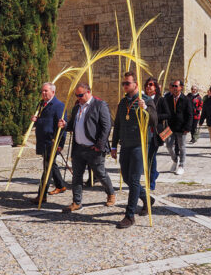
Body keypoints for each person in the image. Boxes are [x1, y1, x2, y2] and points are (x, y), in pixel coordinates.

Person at [58, 83, 115, 212]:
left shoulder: (100, 105)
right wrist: (65, 125)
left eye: (80, 95)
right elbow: (72, 126)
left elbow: (107, 127)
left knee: (100, 174)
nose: (78, 98)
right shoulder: (76, 107)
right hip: (79, 148)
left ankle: (110, 193)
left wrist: (99, 145)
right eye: (76, 95)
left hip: (93, 148)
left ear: (89, 92)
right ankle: (76, 202)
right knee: (77, 176)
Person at [111, 71, 158, 228]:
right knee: (126, 178)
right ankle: (147, 199)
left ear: (136, 85)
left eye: (127, 83)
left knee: (133, 179)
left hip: (140, 145)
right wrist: (113, 145)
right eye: (123, 83)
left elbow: (154, 121)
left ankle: (129, 215)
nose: (124, 86)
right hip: (125, 145)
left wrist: (146, 110)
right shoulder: (123, 102)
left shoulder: (146, 101)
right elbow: (117, 125)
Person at [31, 82, 68, 204]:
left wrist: (61, 144)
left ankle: (42, 195)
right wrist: (36, 121)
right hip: (43, 141)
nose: (43, 93)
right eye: (42, 91)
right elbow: (45, 122)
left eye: (46, 91)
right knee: (51, 165)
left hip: (51, 142)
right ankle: (60, 185)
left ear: (53, 92)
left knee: (47, 168)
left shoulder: (58, 105)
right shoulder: (42, 104)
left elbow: (62, 126)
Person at [144, 77, 170, 190]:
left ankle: (151, 182)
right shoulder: (143, 99)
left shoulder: (161, 99)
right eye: (147, 84)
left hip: (155, 132)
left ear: (155, 87)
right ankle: (154, 174)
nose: (148, 86)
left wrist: (154, 116)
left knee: (151, 157)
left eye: (151, 84)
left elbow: (168, 114)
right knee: (146, 157)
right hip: (144, 132)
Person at [163, 79, 192, 175]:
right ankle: (175, 160)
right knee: (168, 145)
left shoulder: (186, 99)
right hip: (170, 127)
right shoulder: (168, 98)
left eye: (176, 86)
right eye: (173, 86)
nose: (174, 88)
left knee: (182, 147)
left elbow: (189, 114)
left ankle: (181, 165)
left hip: (181, 127)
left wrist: (187, 127)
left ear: (181, 87)